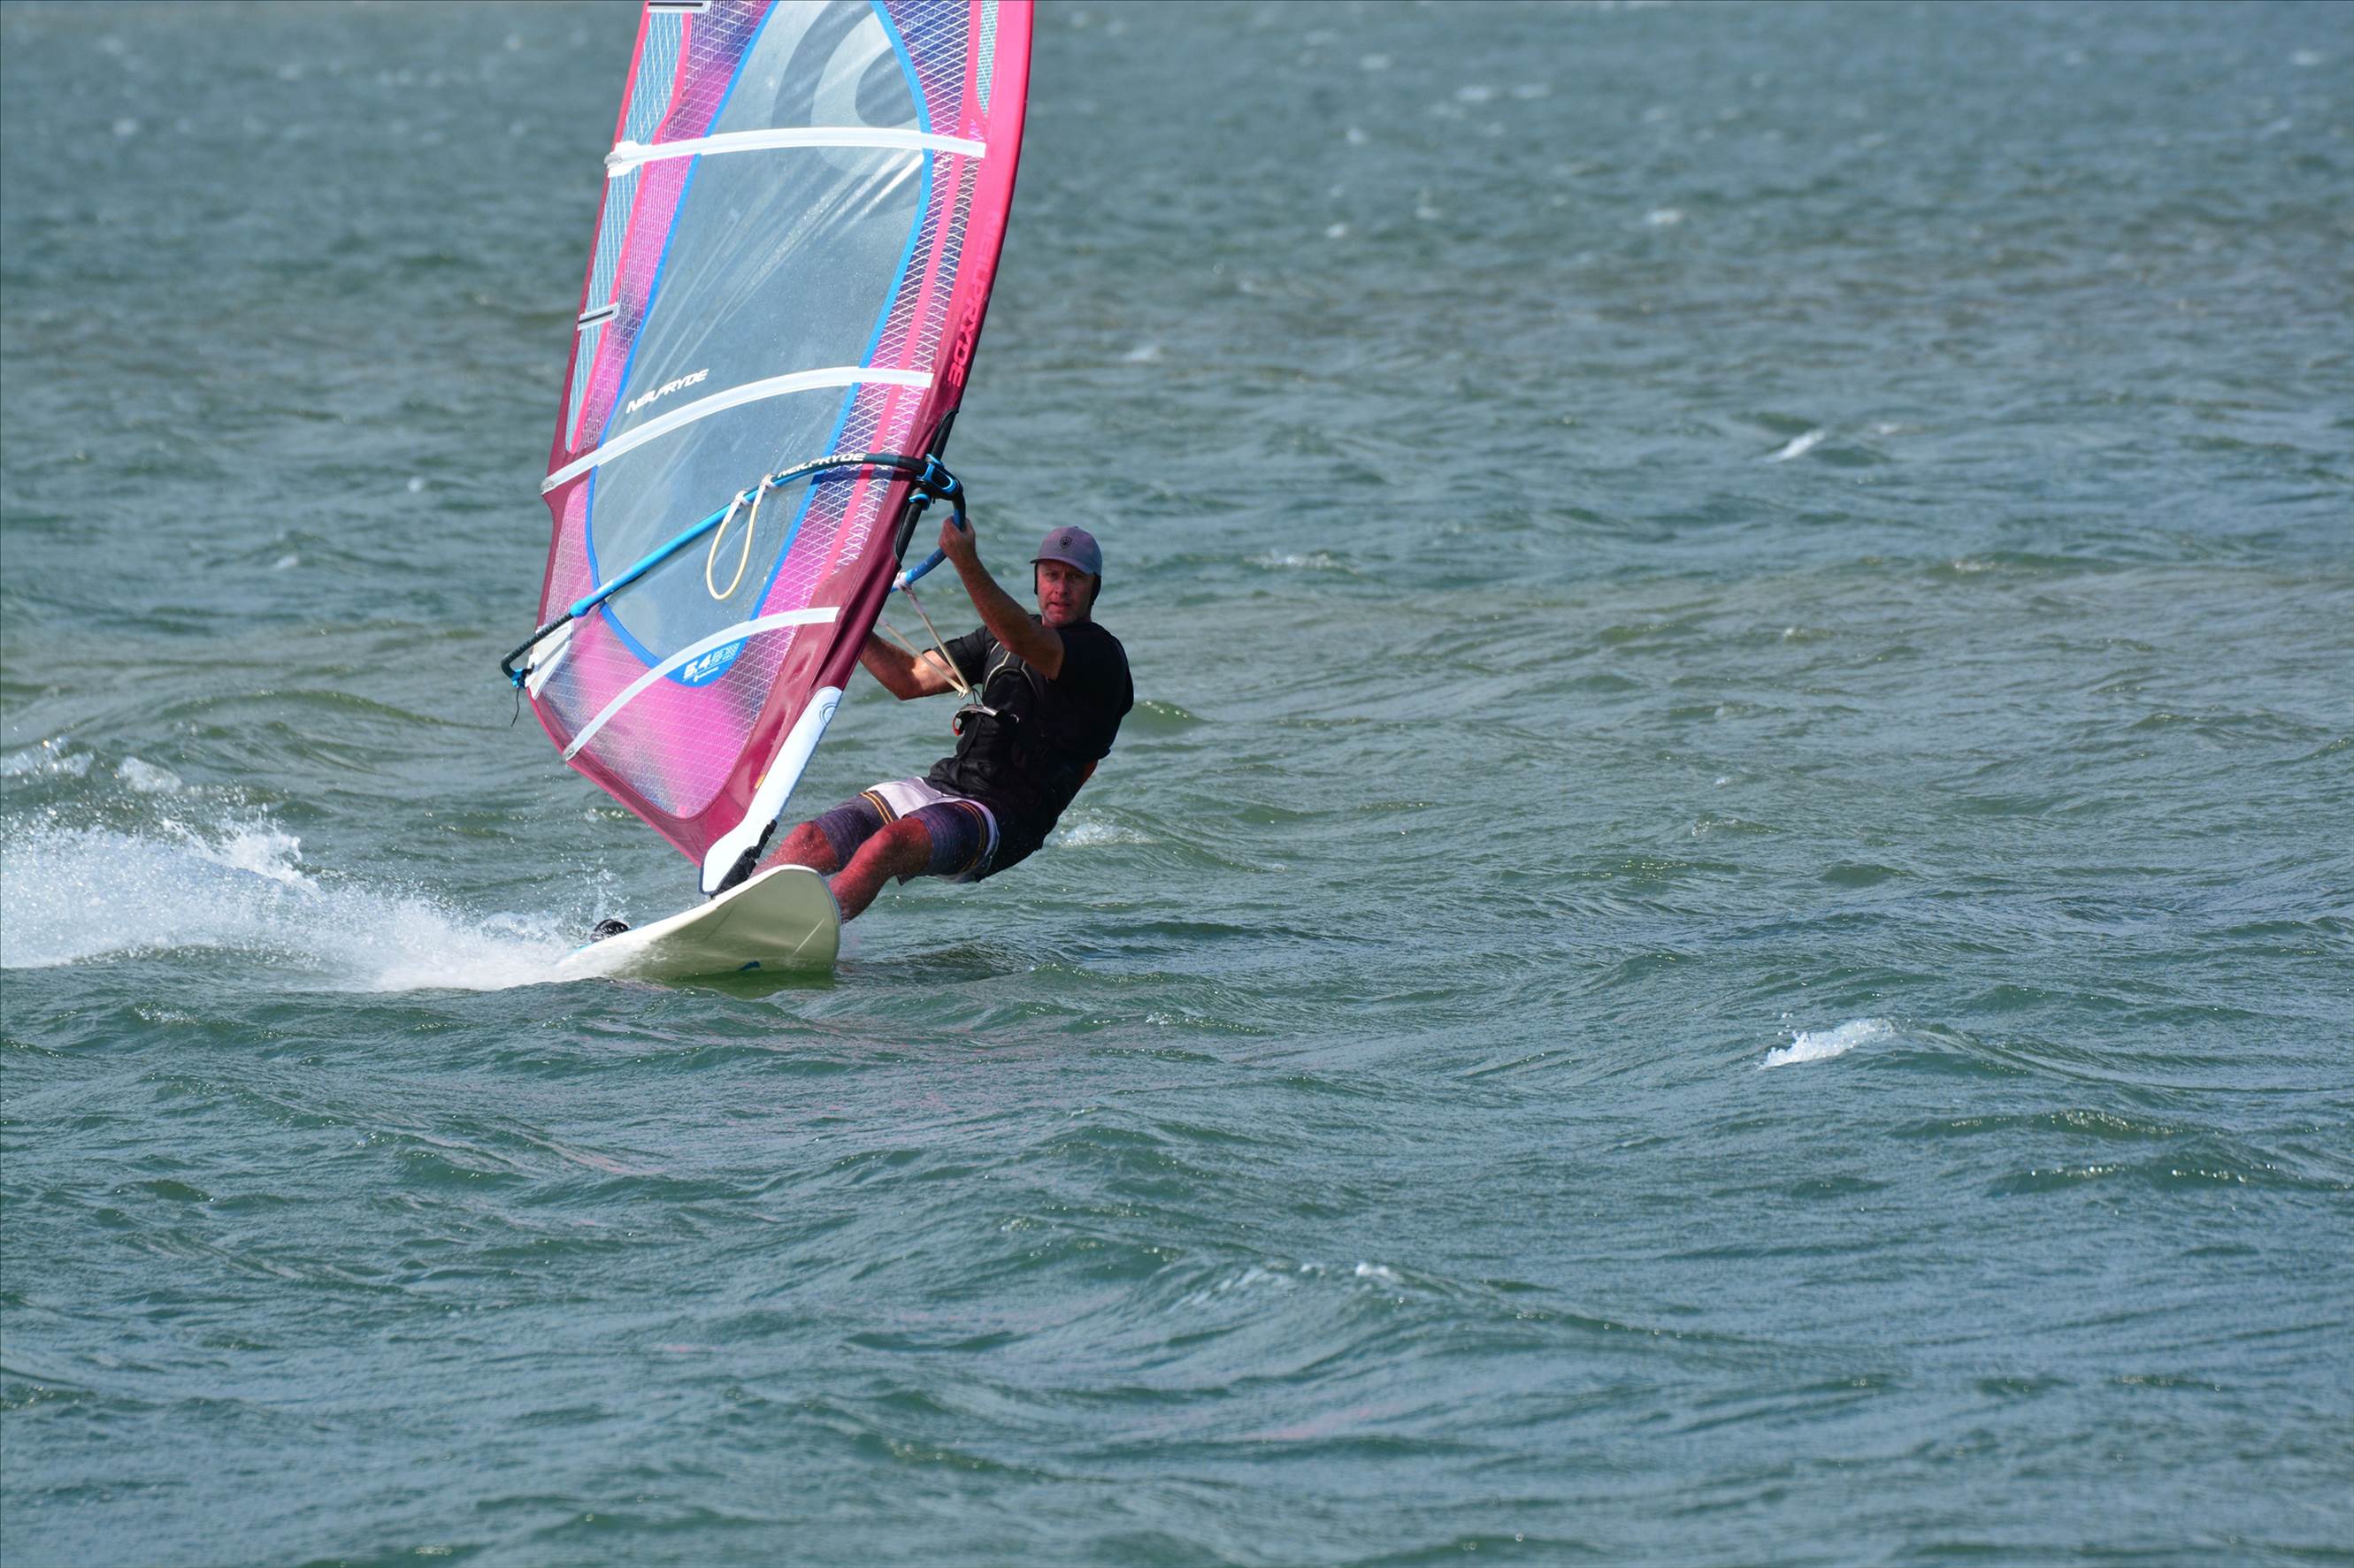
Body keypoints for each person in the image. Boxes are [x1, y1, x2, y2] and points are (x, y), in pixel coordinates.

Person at [766, 515, 1132, 922]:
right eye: (1051, 575)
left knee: (887, 844)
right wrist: (847, 621)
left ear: (1094, 588)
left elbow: (1026, 641)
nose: (1060, 588)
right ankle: (736, 905)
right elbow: (909, 678)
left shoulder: (1101, 655)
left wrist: (965, 561)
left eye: (1075, 578)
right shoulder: (998, 638)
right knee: (809, 840)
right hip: (946, 786)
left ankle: (802, 932)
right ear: (1037, 580)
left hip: (1006, 817)